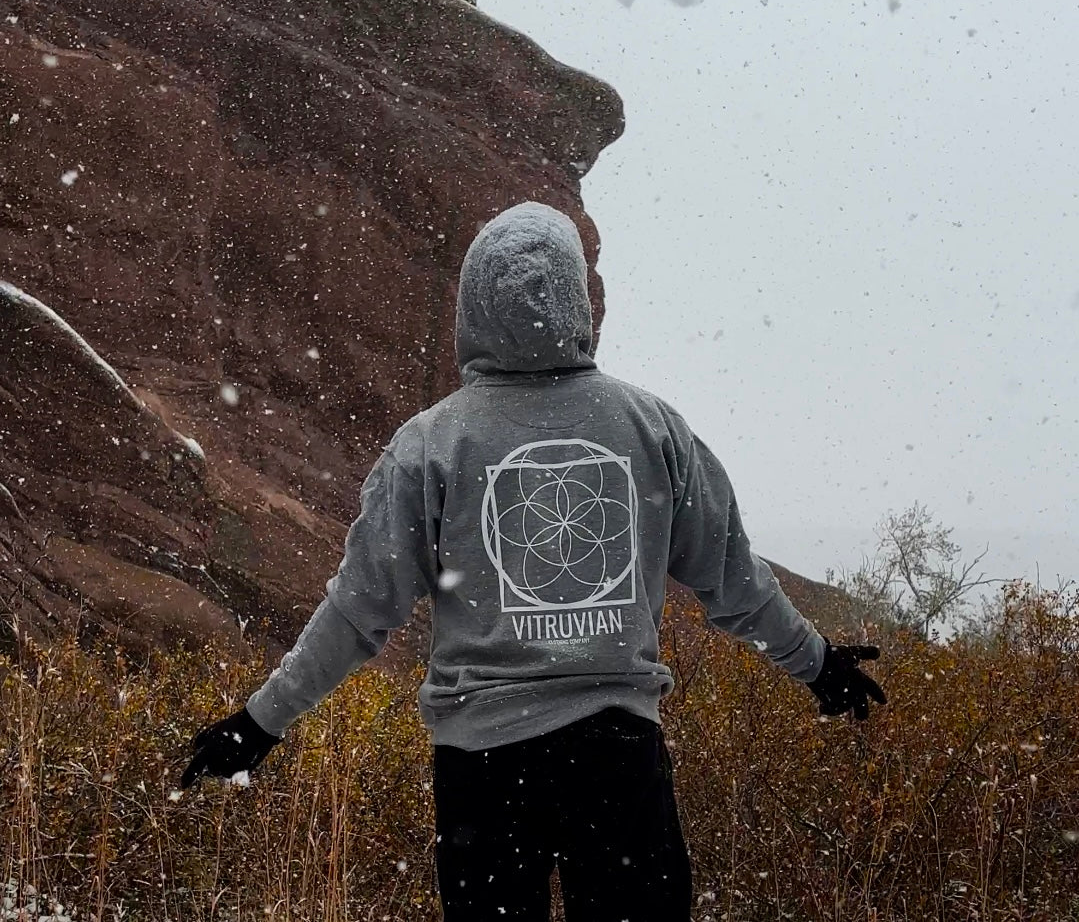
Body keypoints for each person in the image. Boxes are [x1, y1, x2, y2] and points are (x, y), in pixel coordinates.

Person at [181, 201, 886, 921]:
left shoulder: (430, 444)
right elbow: (734, 581)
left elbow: (359, 610)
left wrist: (260, 722)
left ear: (471, 303)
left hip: (483, 772)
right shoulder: (652, 428)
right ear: (578, 299)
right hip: (619, 761)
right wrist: (816, 661)